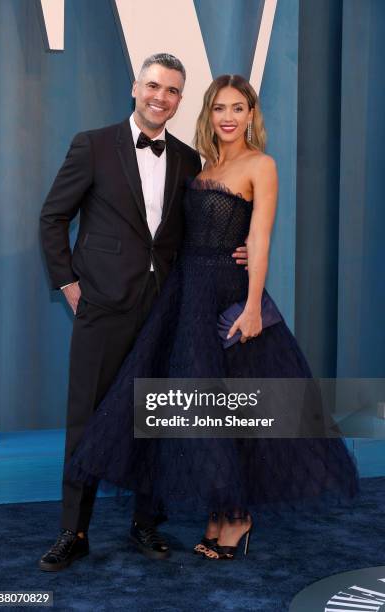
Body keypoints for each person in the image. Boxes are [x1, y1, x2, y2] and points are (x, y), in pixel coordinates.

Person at [64, 74, 359, 562]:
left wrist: (251, 307)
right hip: (184, 297)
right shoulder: (200, 165)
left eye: (238, 108)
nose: (228, 117)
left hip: (227, 300)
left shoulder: (261, 165)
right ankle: (219, 511)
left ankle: (238, 517)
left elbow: (259, 238)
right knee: (200, 412)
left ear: (251, 115)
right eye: (219, 107)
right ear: (208, 113)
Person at [38, 55, 248, 571]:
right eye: (153, 85)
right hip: (103, 306)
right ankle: (74, 530)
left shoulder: (187, 160)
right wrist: (68, 282)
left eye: (173, 90)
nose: (161, 97)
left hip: (165, 310)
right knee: (85, 418)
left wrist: (238, 252)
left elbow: (200, 231)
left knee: (154, 418)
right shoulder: (92, 144)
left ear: (180, 99)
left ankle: (146, 523)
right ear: (136, 87)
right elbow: (53, 216)